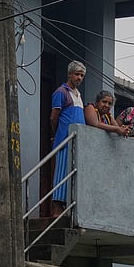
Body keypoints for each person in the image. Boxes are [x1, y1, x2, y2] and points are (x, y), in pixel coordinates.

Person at [49, 61, 87, 214]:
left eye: (82, 75)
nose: (79, 77)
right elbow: (54, 117)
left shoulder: (78, 94)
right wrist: (55, 134)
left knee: (73, 173)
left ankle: (68, 206)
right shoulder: (61, 92)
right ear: (69, 74)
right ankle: (57, 208)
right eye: (77, 74)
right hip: (64, 139)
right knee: (61, 173)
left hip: (77, 141)